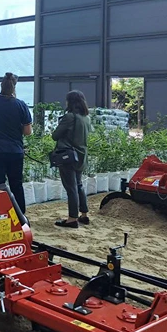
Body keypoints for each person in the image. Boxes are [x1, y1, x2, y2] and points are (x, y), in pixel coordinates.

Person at [0, 72, 32, 214]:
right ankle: (20, 217)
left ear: (1, 86)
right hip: (15, 151)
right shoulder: (21, 105)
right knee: (16, 185)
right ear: (14, 87)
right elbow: (28, 131)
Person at [52, 90, 91, 228]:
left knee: (71, 187)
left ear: (70, 102)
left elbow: (55, 136)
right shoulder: (86, 118)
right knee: (78, 185)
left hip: (68, 156)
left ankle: (72, 218)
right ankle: (84, 214)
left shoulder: (70, 117)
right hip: (81, 155)